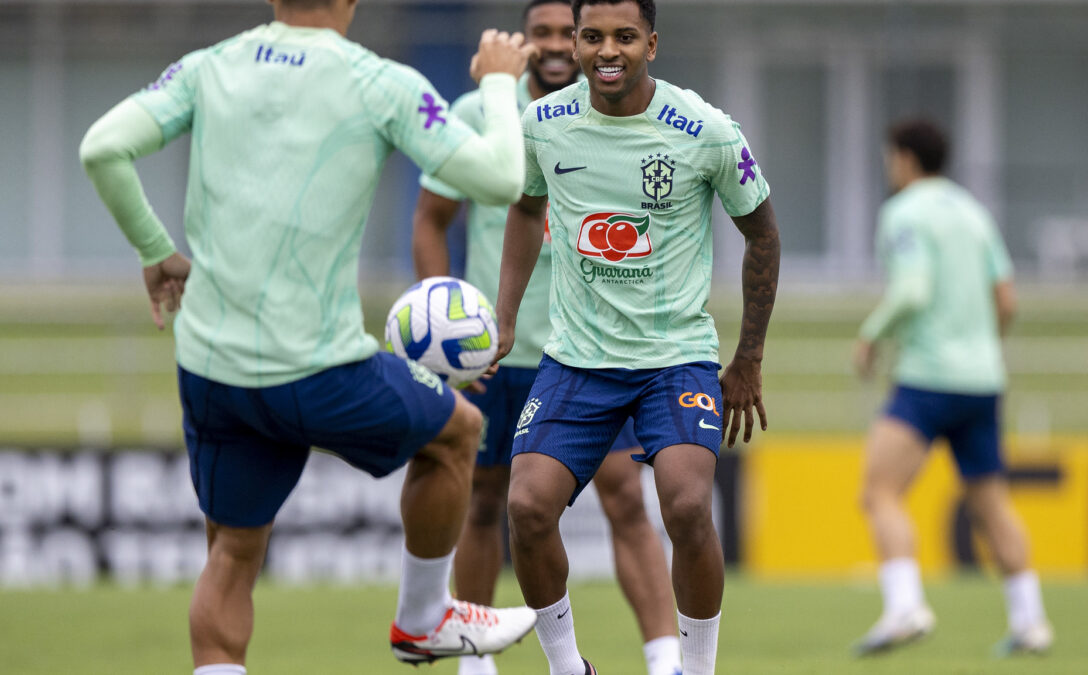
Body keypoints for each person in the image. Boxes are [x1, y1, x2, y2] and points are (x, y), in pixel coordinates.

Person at [79, 1, 543, 672]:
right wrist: (499, 81)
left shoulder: (209, 66)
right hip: (316, 367)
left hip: (212, 368)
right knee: (457, 432)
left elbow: (102, 148)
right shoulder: (381, 83)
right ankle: (422, 619)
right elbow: (500, 178)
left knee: (232, 553)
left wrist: (155, 249)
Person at [493, 1, 781, 673]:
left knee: (687, 505)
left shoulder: (706, 130)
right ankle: (569, 667)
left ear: (651, 43)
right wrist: (506, 316)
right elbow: (526, 209)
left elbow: (762, 233)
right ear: (577, 43)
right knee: (526, 507)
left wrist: (748, 357)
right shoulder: (543, 122)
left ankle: (695, 668)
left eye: (624, 36)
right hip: (577, 359)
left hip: (674, 359)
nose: (606, 50)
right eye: (592, 36)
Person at [412, 2, 682, 674]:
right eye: (544, 34)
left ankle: (665, 659)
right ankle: (477, 662)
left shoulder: (618, 116)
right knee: (484, 502)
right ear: (524, 41)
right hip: (497, 356)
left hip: (593, 353)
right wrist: (447, 332)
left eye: (570, 33)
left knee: (627, 499)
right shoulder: (481, 112)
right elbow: (430, 220)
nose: (558, 46)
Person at [853, 118, 1053, 657]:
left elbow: (912, 290)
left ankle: (904, 607)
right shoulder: (974, 212)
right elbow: (1006, 300)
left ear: (904, 158)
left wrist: (871, 335)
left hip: (928, 377)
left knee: (880, 491)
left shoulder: (903, 212)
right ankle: (1030, 622)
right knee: (991, 502)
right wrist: (982, 348)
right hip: (983, 380)